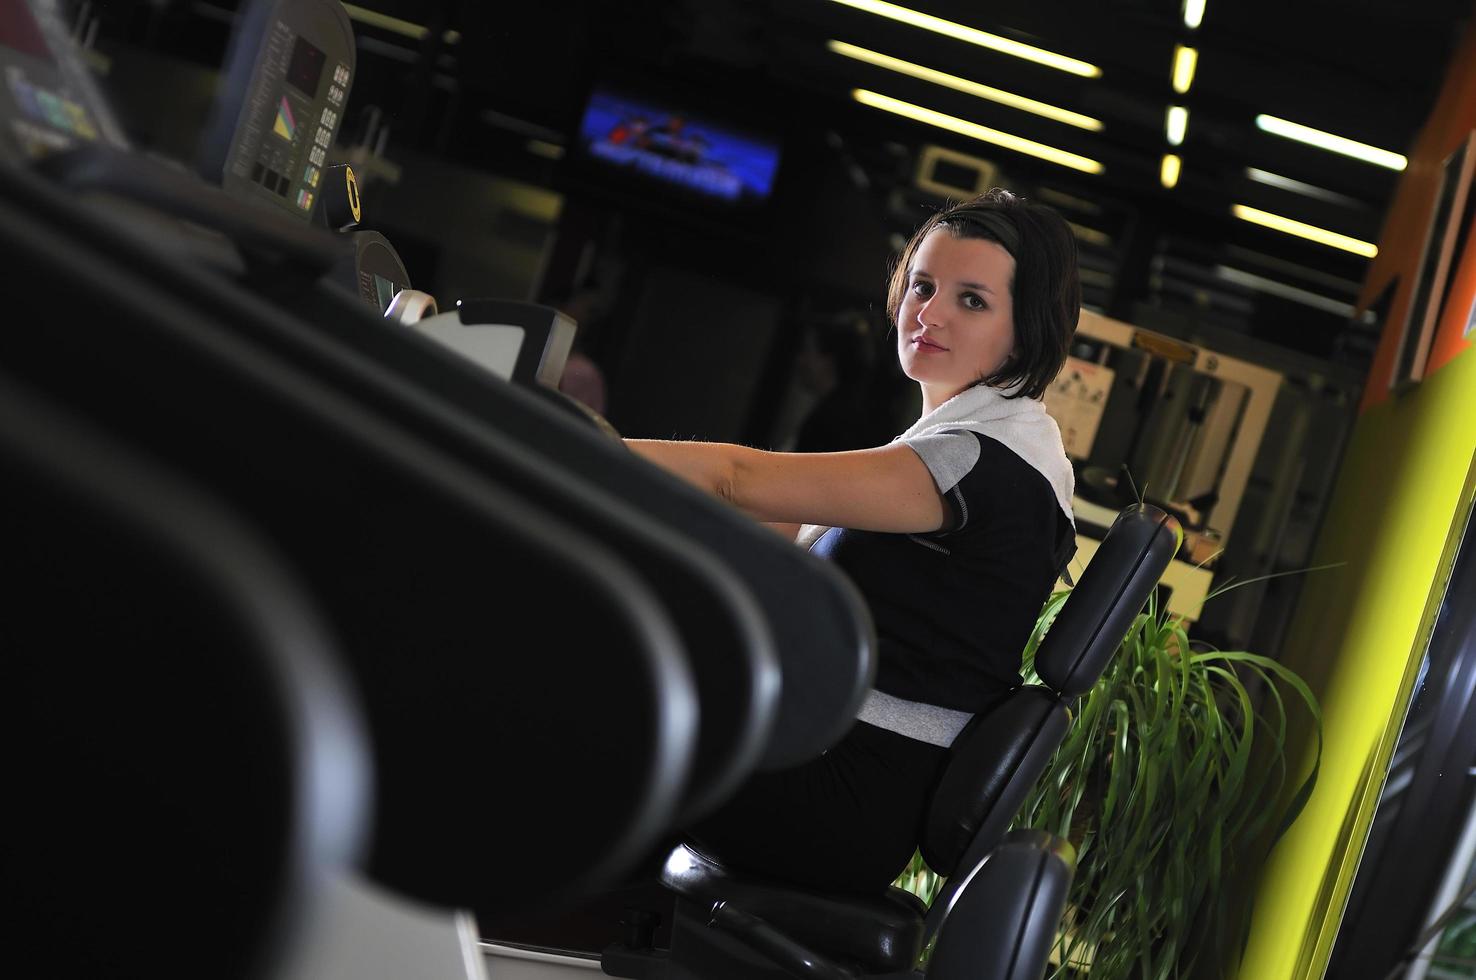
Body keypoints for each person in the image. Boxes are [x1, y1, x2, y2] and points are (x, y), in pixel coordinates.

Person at [625, 187, 1081, 896]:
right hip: (839, 772)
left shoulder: (976, 460)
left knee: (580, 692)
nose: (927, 312)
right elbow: (779, 529)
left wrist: (569, 446)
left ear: (1024, 330)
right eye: (923, 286)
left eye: (971, 300)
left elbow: (738, 480)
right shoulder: (991, 443)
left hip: (837, 789)